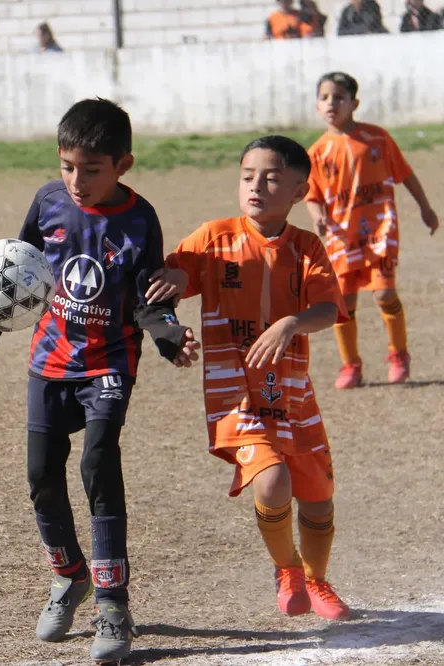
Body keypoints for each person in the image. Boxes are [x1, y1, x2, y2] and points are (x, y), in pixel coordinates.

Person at [0, 98, 200, 664]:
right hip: (50, 360)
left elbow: (149, 293)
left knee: (98, 462)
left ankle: (113, 601)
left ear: (122, 164)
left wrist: (169, 338)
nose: (77, 180)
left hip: (109, 364)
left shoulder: (139, 218)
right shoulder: (48, 201)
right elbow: (16, 269)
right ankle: (69, 575)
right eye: (68, 166)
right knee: (40, 476)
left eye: (92, 169)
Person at [148, 135, 351, 621]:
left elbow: (328, 307)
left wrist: (292, 323)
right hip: (234, 396)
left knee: (319, 499)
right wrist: (173, 303)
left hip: (293, 394)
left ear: (300, 192)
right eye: (247, 177)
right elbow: (164, 287)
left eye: (272, 178)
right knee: (273, 482)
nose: (256, 186)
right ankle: (287, 570)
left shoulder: (306, 247)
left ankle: (318, 580)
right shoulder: (213, 239)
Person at [304, 72, 439, 388]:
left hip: (381, 230)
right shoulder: (317, 152)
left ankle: (398, 354)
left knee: (384, 294)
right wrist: (317, 216)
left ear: (354, 103)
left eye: (338, 97)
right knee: (344, 303)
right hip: (342, 234)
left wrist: (426, 208)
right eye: (324, 98)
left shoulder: (377, 139)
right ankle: (351, 365)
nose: (331, 104)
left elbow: (405, 174)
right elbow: (312, 194)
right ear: (316, 106)